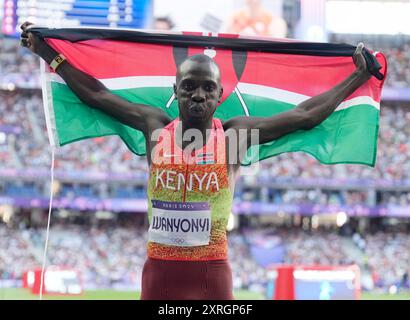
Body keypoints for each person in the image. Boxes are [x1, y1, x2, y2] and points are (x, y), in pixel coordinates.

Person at [20, 21, 371, 299]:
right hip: (159, 271)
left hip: (211, 272)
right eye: (188, 86)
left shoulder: (234, 136)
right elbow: (96, 94)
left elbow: (304, 115)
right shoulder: (154, 127)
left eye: (207, 88)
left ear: (220, 95)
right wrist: (49, 53)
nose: (197, 95)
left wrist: (359, 75)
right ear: (176, 91)